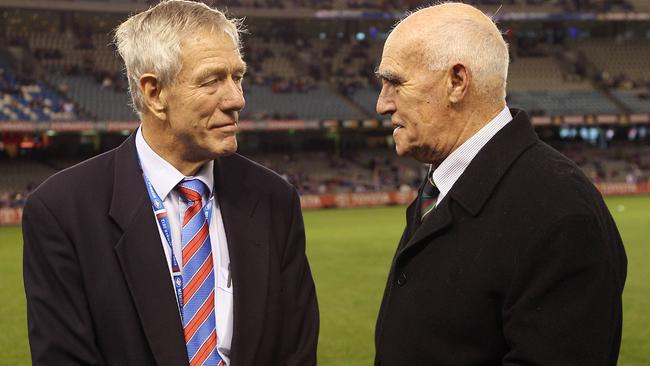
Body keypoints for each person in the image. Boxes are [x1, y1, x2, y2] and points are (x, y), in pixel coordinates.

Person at [22, 1, 318, 365]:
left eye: (237, 77)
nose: (237, 100)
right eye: (212, 80)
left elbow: (295, 352)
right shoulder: (62, 211)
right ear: (154, 93)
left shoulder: (275, 199)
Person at [373, 3, 626, 365]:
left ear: (457, 82)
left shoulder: (560, 212)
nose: (382, 104)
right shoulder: (445, 183)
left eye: (395, 82)